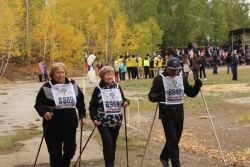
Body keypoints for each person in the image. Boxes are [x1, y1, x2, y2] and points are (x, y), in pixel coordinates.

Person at [148, 57, 202, 167]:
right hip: (166, 114)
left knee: (175, 140)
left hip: (179, 113)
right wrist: (159, 96)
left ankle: (163, 156)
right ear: (167, 67)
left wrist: (197, 86)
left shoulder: (182, 78)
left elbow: (190, 93)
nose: (175, 72)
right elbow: (151, 96)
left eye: (177, 69)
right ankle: (176, 164)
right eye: (172, 69)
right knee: (172, 142)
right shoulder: (159, 79)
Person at [34, 62, 86, 167]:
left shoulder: (72, 84)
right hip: (53, 126)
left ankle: (65, 164)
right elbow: (39, 104)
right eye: (58, 72)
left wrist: (82, 115)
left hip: (70, 124)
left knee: (70, 149)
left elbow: (80, 101)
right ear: (52, 74)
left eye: (62, 72)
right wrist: (44, 113)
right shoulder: (47, 87)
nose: (61, 75)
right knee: (55, 153)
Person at [89, 66, 130, 167]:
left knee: (112, 143)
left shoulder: (117, 87)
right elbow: (92, 106)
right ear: (102, 77)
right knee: (108, 143)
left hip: (116, 120)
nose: (109, 76)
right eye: (107, 74)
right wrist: (94, 118)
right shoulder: (98, 89)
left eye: (111, 74)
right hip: (103, 121)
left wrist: (126, 102)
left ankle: (110, 162)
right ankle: (109, 165)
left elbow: (124, 99)